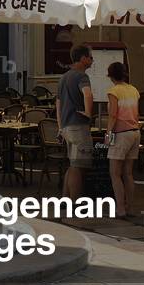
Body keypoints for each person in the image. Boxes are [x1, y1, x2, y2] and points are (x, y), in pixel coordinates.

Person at [55, 44, 94, 200]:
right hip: (78, 126)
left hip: (66, 127)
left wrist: (60, 126)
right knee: (79, 167)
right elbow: (88, 94)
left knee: (72, 164)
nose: (92, 60)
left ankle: (65, 199)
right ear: (83, 58)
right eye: (90, 57)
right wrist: (88, 114)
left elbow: (58, 104)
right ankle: (75, 202)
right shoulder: (82, 76)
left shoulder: (63, 77)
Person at [105, 62, 141, 219]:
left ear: (111, 76)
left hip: (121, 134)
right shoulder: (134, 90)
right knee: (128, 173)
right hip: (135, 132)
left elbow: (113, 114)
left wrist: (108, 134)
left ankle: (120, 209)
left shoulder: (114, 91)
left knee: (115, 173)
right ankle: (130, 207)